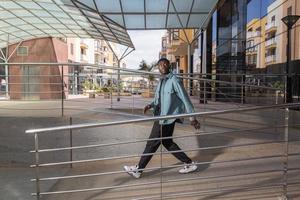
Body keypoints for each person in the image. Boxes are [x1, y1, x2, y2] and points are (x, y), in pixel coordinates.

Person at [123, 58, 201, 178]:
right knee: (167, 142)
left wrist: (192, 118)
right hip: (160, 116)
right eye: (160, 64)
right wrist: (150, 105)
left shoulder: (174, 80)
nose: (163, 65)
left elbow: (186, 99)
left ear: (169, 66)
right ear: (158, 68)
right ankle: (189, 163)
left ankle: (138, 170)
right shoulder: (161, 81)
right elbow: (158, 99)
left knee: (152, 143)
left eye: (165, 63)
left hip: (167, 119)